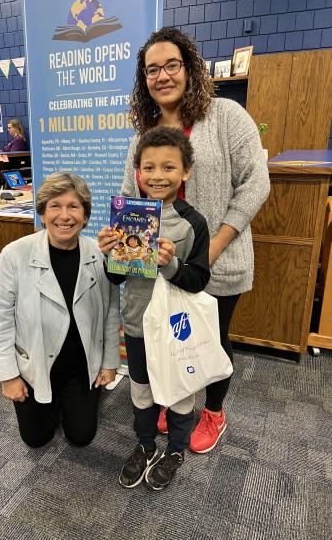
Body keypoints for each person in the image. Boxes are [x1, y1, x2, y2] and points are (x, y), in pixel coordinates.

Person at [121, 27, 270, 454]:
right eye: (152, 69)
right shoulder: (142, 132)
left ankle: (214, 413)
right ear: (144, 79)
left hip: (218, 258)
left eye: (172, 65)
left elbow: (256, 184)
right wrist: (127, 248)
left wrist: (213, 247)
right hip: (161, 265)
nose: (162, 75)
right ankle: (177, 400)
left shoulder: (225, 116)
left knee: (211, 339)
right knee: (171, 336)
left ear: (190, 68)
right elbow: (132, 194)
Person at [98, 126, 210, 491]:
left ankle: (176, 450)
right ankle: (146, 445)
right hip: (137, 324)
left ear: (185, 172)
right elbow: (117, 279)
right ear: (138, 172)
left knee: (179, 392)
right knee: (141, 390)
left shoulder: (193, 222)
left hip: (177, 327)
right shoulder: (127, 216)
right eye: (148, 168)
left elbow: (199, 280)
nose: (157, 176)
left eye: (168, 167)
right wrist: (110, 255)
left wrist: (171, 263)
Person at [0, 172, 120, 449]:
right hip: (34, 364)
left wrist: (109, 363)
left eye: (74, 206)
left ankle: (74, 400)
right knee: (36, 438)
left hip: (80, 365)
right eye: (55, 206)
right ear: (43, 214)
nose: (64, 215)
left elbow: (110, 313)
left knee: (81, 436)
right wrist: (9, 376)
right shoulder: (13, 255)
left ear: (85, 215)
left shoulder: (99, 254)